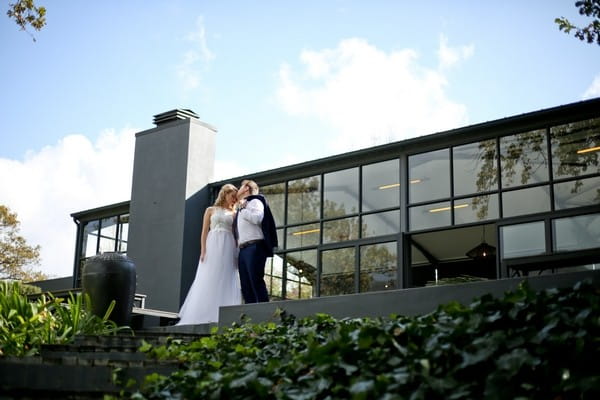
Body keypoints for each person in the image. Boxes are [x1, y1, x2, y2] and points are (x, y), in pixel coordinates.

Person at [177, 184, 242, 325]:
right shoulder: (210, 210)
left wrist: (237, 253)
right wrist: (203, 250)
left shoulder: (235, 214)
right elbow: (204, 231)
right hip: (213, 244)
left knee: (225, 276)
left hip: (228, 246)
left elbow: (236, 235)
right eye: (232, 196)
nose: (233, 200)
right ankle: (204, 312)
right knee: (209, 276)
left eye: (235, 198)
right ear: (225, 194)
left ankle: (223, 313)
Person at [234, 180, 278, 303]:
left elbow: (257, 218)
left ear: (247, 189)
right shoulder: (242, 205)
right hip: (243, 250)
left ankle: (263, 311)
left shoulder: (255, 201)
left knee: (255, 280)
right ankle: (250, 316)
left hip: (254, 247)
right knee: (246, 285)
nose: (238, 189)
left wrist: (243, 209)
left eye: (241, 187)